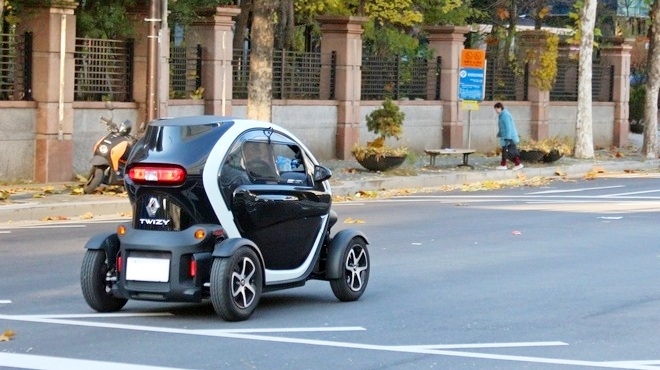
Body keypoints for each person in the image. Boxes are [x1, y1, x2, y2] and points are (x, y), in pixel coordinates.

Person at [494, 102, 523, 171]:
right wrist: (499, 134)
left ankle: (516, 164)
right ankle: (505, 164)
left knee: (509, 151)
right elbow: (502, 127)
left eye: (496, 109)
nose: (496, 111)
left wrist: (508, 138)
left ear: (499, 108)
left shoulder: (505, 115)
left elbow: (508, 127)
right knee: (506, 151)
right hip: (506, 137)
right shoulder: (502, 115)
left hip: (509, 137)